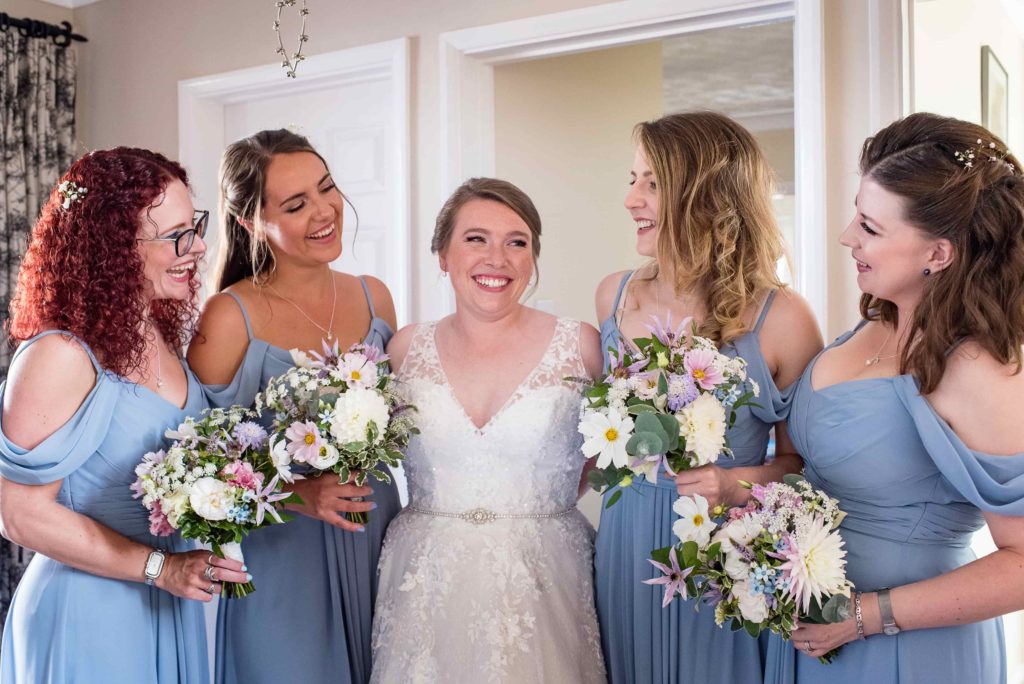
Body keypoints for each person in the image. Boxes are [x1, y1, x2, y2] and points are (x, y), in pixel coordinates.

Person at [763, 112, 1024, 683]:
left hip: (906, 648)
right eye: (857, 216)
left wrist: (866, 617)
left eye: (871, 227)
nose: (846, 237)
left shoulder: (978, 366)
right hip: (821, 633)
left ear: (939, 254)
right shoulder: (875, 323)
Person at [0, 148, 247, 683]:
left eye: (195, 226)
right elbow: (18, 515)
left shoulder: (158, 334)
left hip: (167, 605)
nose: (199, 246)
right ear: (115, 249)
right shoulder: (60, 353)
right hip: (89, 613)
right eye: (177, 235)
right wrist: (159, 568)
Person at [593, 111, 823, 683]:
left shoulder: (783, 318)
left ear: (706, 198)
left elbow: (806, 467)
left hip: (723, 560)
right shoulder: (613, 297)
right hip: (624, 548)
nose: (631, 199)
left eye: (652, 183)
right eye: (632, 179)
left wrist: (731, 484)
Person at [370, 178, 607, 682]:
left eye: (516, 242)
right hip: (424, 578)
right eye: (476, 239)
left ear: (532, 258)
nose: (496, 258)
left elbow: (611, 451)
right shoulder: (405, 350)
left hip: (544, 575)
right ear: (443, 254)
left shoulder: (581, 345)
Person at [188, 129, 401, 684]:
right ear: (250, 222)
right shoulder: (230, 316)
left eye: (326, 188)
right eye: (295, 204)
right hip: (284, 554)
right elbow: (192, 464)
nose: (324, 211)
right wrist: (298, 493)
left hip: (379, 535)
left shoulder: (375, 296)